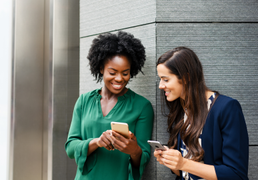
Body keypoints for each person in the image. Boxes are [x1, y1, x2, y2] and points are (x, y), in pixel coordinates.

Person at [65, 31, 154, 180]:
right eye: (112, 72)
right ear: (101, 69)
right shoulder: (84, 101)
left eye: (125, 73)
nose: (119, 79)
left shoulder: (142, 106)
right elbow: (70, 148)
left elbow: (143, 158)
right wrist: (97, 142)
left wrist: (134, 150)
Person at [154, 46, 249, 180]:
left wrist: (184, 163)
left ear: (186, 78)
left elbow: (236, 174)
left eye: (166, 79)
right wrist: (172, 163)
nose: (160, 85)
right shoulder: (182, 109)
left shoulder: (226, 108)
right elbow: (184, 174)